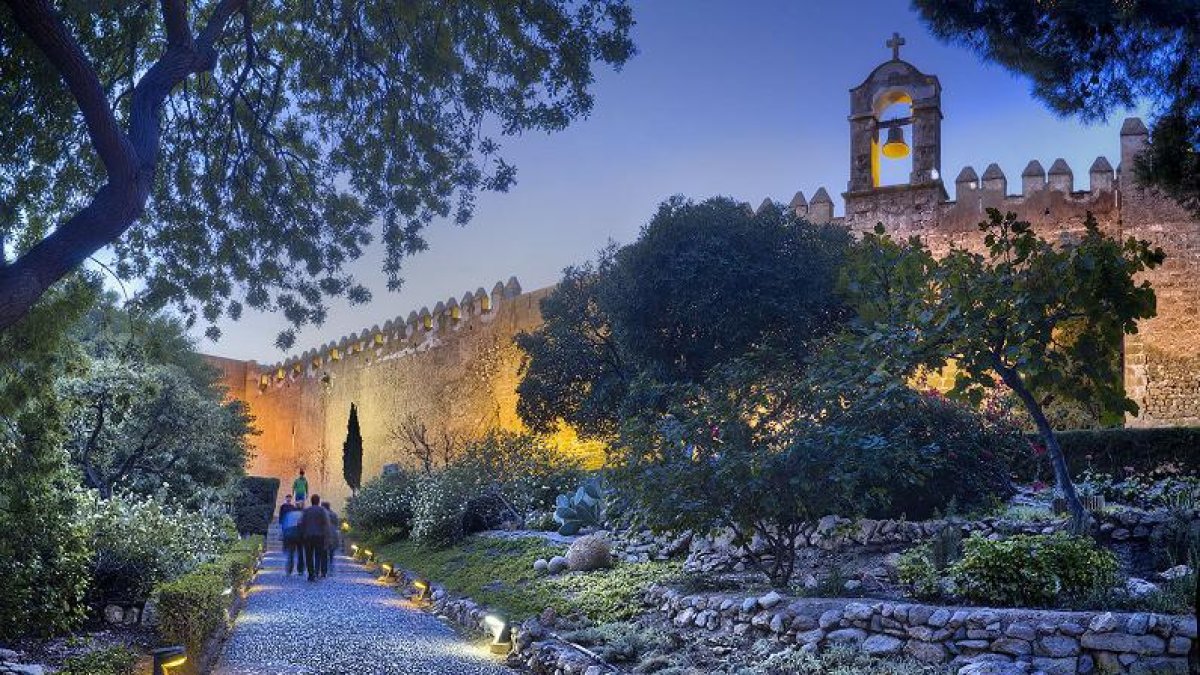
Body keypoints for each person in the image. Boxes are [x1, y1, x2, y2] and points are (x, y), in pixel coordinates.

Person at [300, 494, 330, 581]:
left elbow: (302, 523)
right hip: (320, 536)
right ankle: (316, 572)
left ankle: (311, 574)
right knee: (318, 555)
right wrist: (327, 536)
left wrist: (302, 534)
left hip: (308, 536)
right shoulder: (322, 510)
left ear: (311, 501)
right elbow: (326, 524)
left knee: (309, 556)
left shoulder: (306, 511)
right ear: (318, 501)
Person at [280, 497, 305, 576]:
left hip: (290, 535)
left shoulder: (289, 514)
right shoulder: (303, 515)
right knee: (300, 553)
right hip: (300, 535)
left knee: (290, 553)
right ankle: (300, 570)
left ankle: (289, 570)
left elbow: (284, 526)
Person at [322, 501, 340, 575]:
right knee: (331, 554)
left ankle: (324, 570)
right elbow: (337, 524)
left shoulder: (323, 514)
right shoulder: (334, 514)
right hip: (333, 535)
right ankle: (331, 569)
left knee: (324, 554)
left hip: (325, 535)